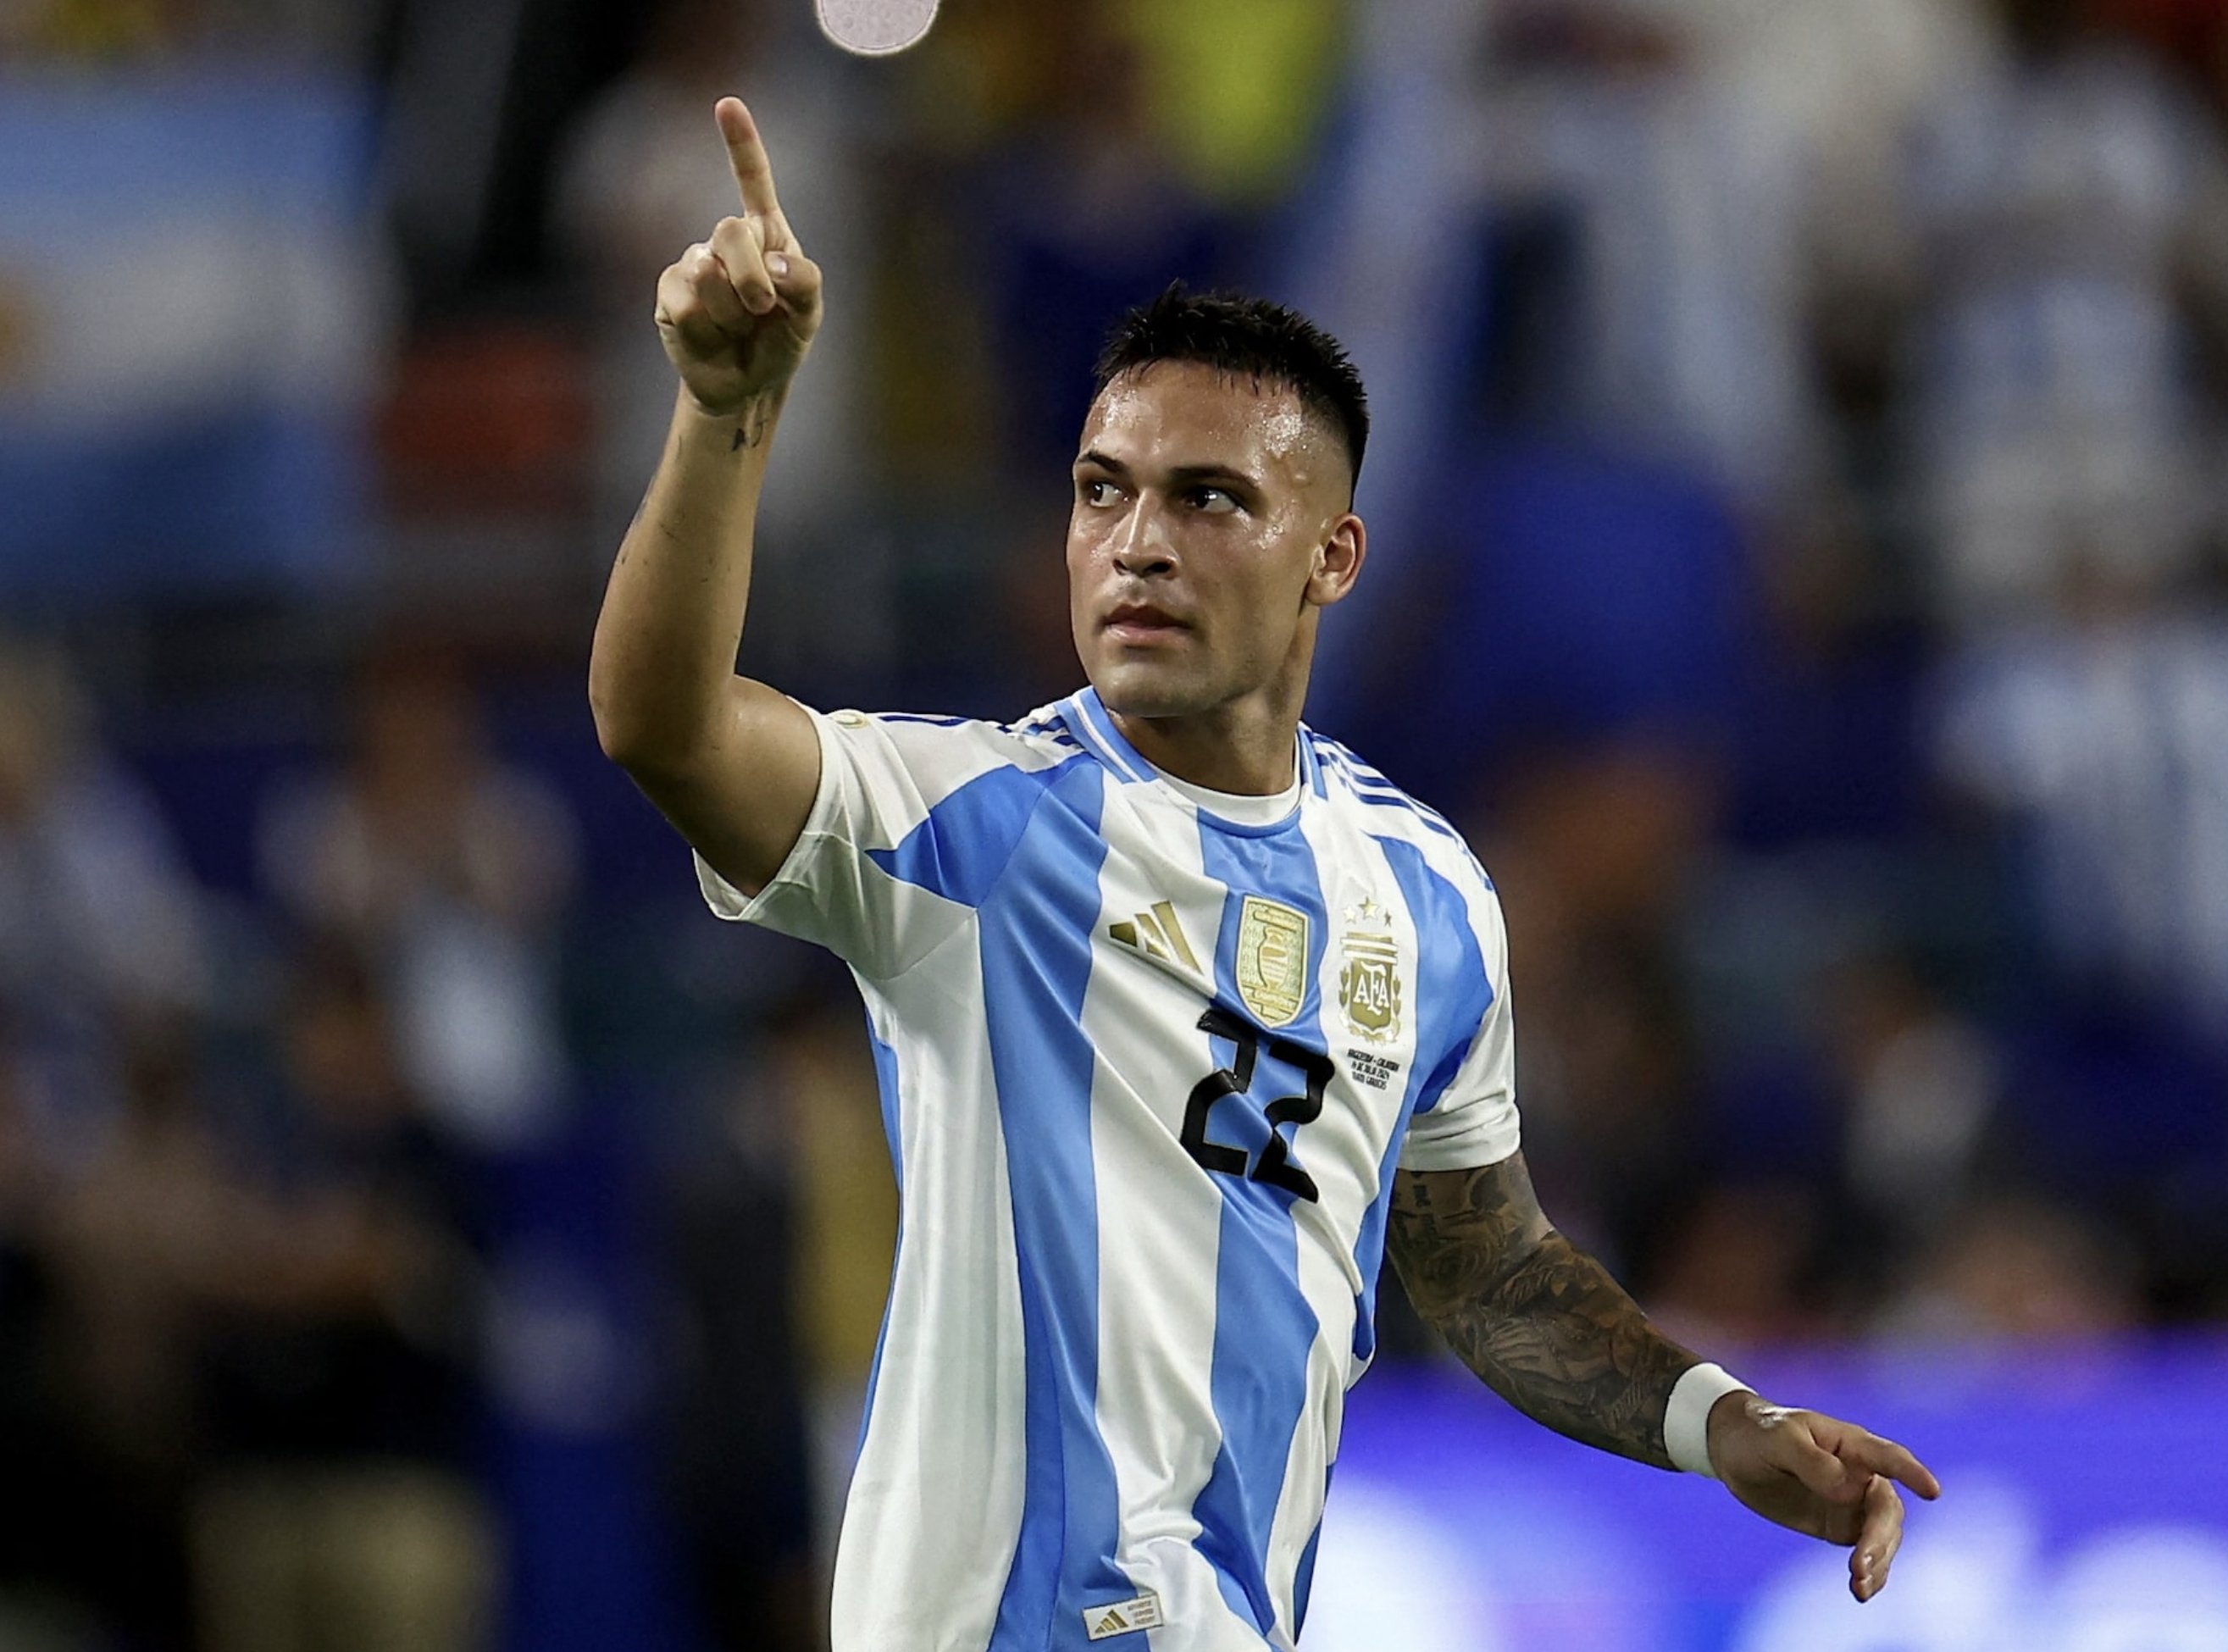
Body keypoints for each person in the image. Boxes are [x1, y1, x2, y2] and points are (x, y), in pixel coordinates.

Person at [589, 98, 1941, 1651]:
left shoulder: (1422, 891)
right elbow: (661, 723)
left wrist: (1720, 1422)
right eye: (1103, 490)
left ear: (1335, 557)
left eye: (1208, 497)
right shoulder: (977, 824)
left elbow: (1484, 1266)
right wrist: (723, 414)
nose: (1136, 542)